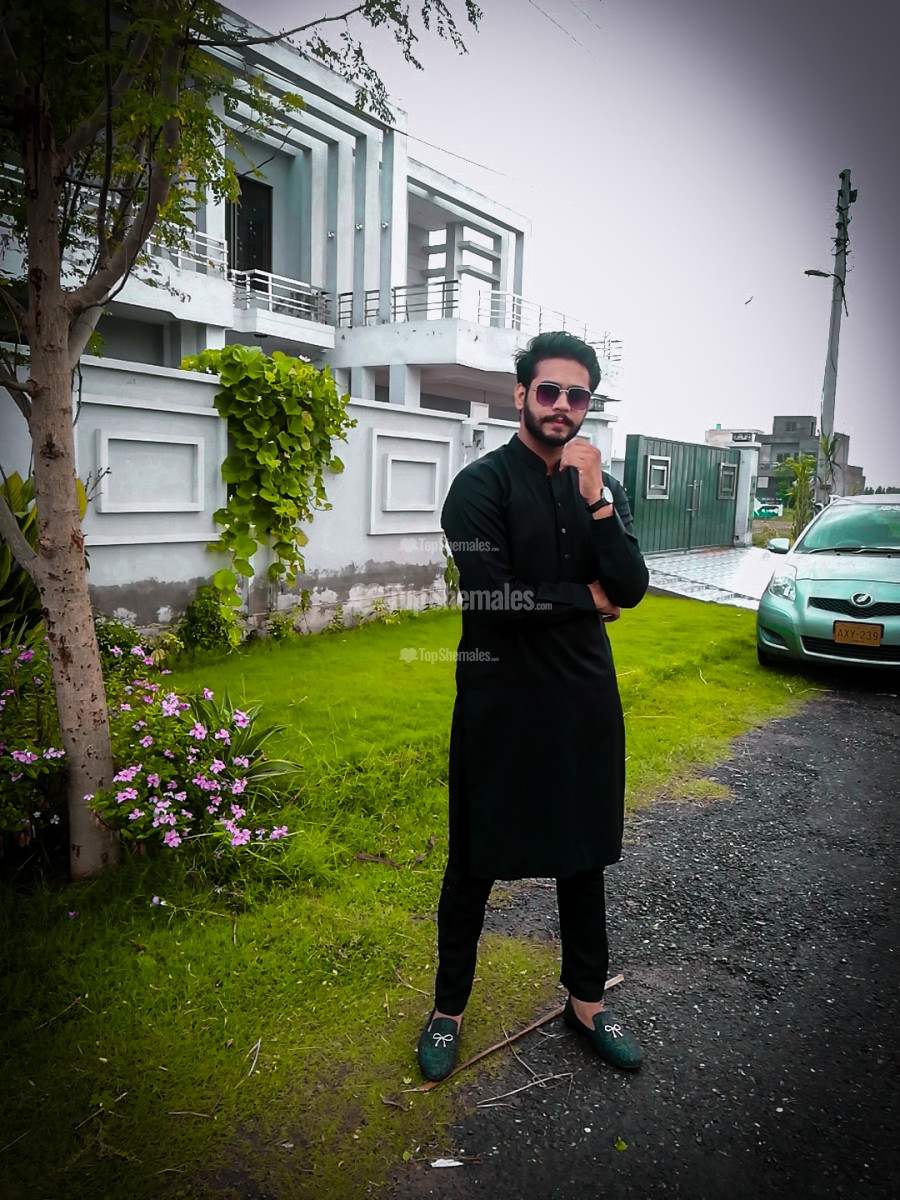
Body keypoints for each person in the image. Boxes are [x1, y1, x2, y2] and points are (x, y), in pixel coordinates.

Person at [416, 330, 650, 1082]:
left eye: (577, 395)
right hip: (501, 705)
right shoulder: (479, 487)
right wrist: (586, 597)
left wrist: (599, 504)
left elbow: (632, 585)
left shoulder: (596, 488)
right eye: (548, 390)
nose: (562, 406)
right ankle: (448, 1011)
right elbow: (495, 598)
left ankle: (587, 1004)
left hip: (583, 703)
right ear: (520, 394)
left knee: (584, 860)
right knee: (474, 862)